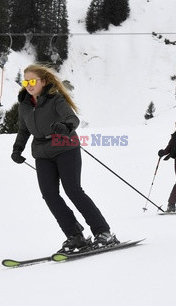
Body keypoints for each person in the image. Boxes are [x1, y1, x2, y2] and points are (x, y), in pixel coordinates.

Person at [11, 64, 118, 252]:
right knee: (49, 195)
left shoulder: (55, 99)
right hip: (42, 154)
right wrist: (17, 149)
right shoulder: (25, 104)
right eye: (26, 81)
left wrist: (65, 127)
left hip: (65, 147)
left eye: (32, 81)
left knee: (73, 190)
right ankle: (75, 236)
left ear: (43, 82)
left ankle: (103, 232)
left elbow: (72, 118)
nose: (28, 85)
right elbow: (23, 128)